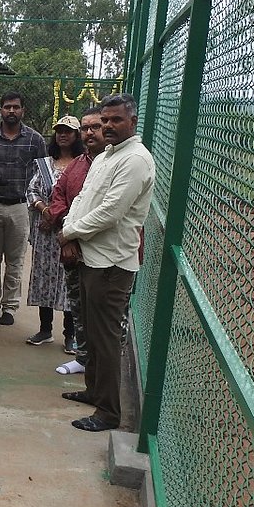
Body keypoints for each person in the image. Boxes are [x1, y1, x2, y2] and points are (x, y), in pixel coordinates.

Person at [59, 94, 155, 432]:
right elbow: (85, 198)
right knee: (92, 332)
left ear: (132, 122)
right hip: (92, 255)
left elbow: (111, 212)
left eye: (116, 120)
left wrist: (69, 231)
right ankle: (94, 392)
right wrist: (70, 229)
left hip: (112, 263)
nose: (108, 126)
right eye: (105, 121)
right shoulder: (107, 156)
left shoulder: (136, 160)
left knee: (106, 338)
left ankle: (108, 413)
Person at [0, 92, 48, 325]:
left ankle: (10, 308)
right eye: (7, 107)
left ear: (23, 110)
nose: (11, 111)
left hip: (20, 207)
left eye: (16, 107)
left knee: (15, 261)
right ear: (0, 110)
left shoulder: (35, 140)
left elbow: (44, 176)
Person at [49, 109, 107, 376]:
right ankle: (83, 359)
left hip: (103, 250)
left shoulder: (114, 163)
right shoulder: (77, 164)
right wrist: (66, 237)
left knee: (104, 313)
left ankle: (103, 366)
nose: (89, 133)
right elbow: (58, 195)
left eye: (96, 127)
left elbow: (105, 211)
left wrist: (70, 234)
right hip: (73, 249)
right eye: (85, 128)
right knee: (78, 304)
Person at [24, 116, 83, 346]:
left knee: (69, 281)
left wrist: (58, 217)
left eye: (68, 131)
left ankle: (70, 335)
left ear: (77, 135)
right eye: (59, 131)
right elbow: (32, 190)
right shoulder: (45, 164)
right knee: (44, 279)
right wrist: (44, 210)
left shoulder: (83, 164)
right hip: (45, 233)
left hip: (69, 231)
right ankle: (45, 329)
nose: (63, 135)